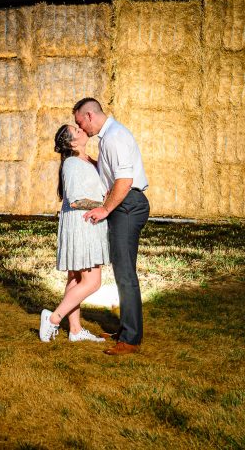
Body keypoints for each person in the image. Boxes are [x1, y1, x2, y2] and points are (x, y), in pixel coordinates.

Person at [72, 97, 149, 356]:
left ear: (90, 115)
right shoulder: (108, 138)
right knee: (122, 271)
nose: (80, 128)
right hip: (124, 205)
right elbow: (111, 173)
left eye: (79, 122)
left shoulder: (115, 137)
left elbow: (125, 180)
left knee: (125, 273)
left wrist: (106, 209)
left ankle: (131, 339)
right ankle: (126, 329)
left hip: (127, 205)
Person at [39, 123, 110, 344]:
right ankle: (53, 318)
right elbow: (76, 199)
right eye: (76, 131)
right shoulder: (71, 163)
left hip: (86, 222)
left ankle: (76, 330)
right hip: (82, 224)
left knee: (76, 278)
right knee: (92, 282)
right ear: (71, 142)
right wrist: (105, 204)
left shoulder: (87, 160)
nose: (81, 129)